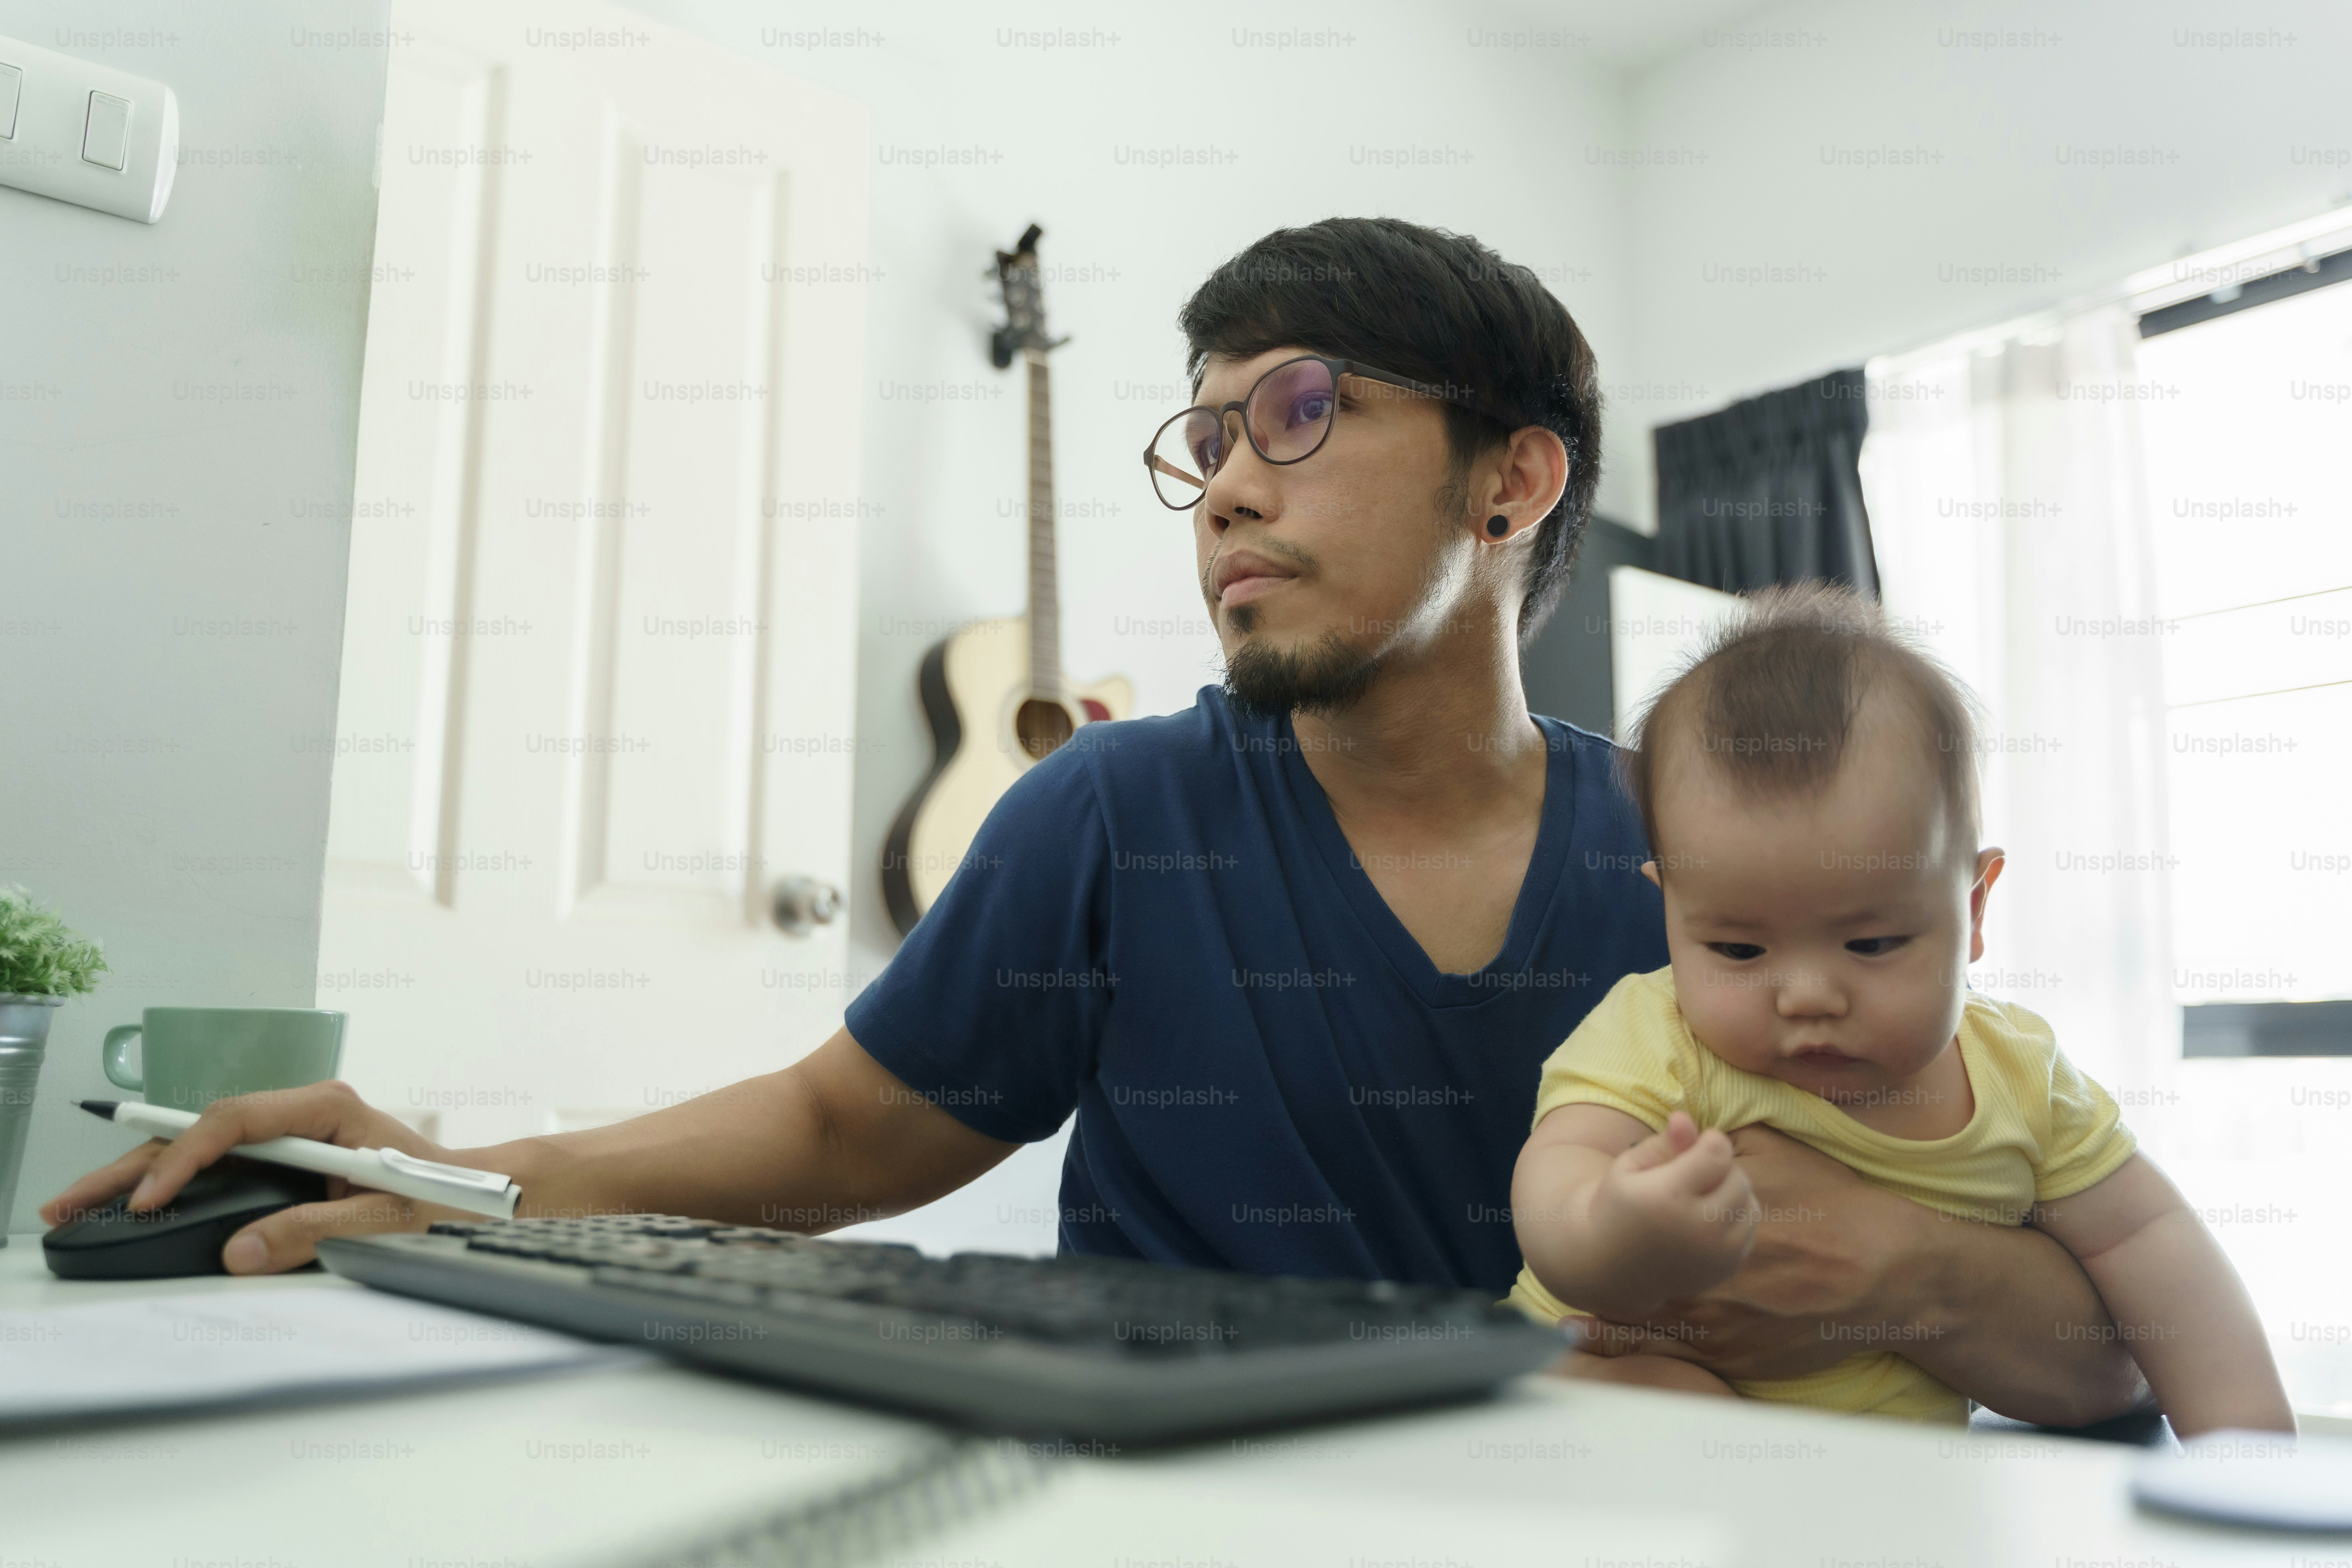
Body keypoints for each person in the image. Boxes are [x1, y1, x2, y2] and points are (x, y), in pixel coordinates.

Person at [46, 218, 2147, 1426]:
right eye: (1204, 436)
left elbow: (2095, 1335)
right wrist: (469, 1181)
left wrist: (1881, 1271)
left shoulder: (1736, 880)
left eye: (1301, 412)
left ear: (1515, 480)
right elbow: (840, 1131)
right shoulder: (1111, 807)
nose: (1228, 485)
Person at [1509, 585, 2291, 1434]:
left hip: (1876, 1492)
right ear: (1668, 911)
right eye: (1738, 951)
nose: (1807, 996)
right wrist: (1613, 1227)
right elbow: (1557, 1179)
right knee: (1673, 1404)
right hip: (1589, 1387)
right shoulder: (1657, 1036)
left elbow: (2149, 1241)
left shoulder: (2019, 1079)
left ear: (1976, 908)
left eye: (1872, 944)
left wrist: (2248, 1454)